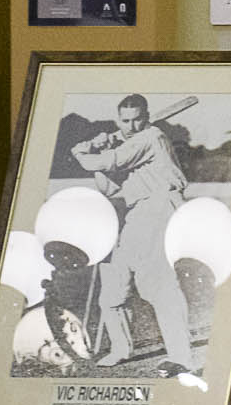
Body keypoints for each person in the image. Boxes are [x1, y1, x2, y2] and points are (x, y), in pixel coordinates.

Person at [71, 93, 201, 374]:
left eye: (137, 119)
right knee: (113, 284)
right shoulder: (127, 144)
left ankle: (182, 358)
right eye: (125, 120)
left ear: (146, 117)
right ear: (118, 120)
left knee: (158, 284)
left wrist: (82, 152)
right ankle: (120, 349)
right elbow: (109, 188)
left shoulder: (151, 137)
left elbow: (106, 162)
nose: (131, 125)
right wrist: (102, 145)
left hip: (160, 207)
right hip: (134, 212)